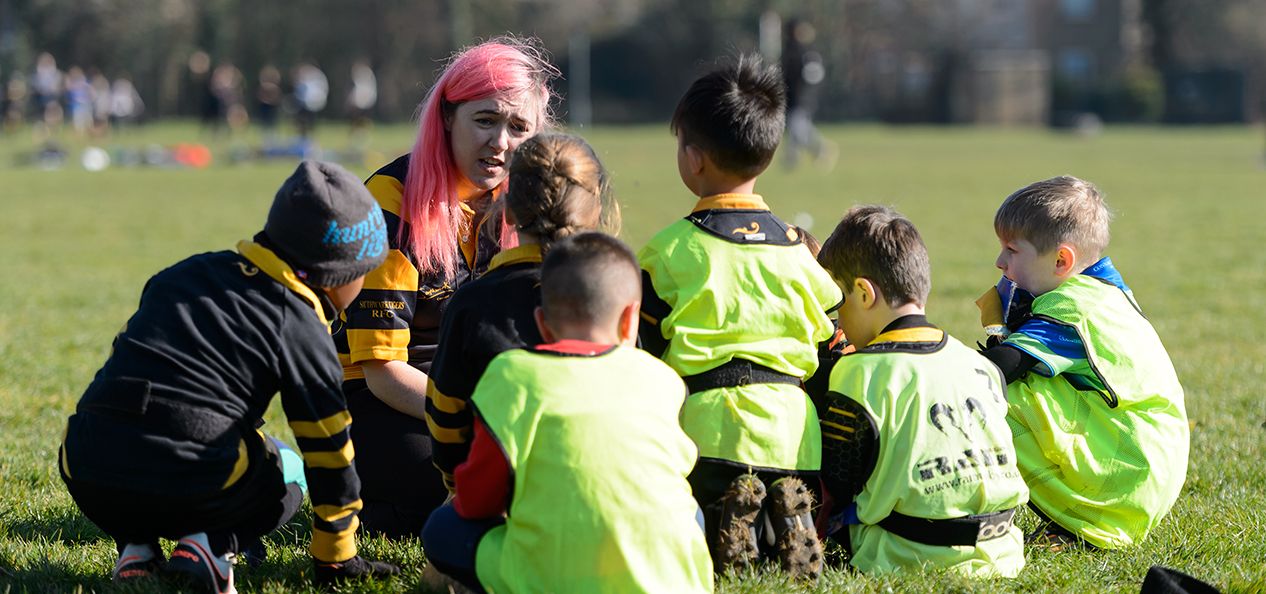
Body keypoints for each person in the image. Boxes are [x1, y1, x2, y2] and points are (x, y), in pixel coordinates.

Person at [58, 161, 400, 592]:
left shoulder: (184, 273)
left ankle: (137, 549)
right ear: (338, 275)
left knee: (145, 438)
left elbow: (128, 367)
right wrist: (337, 556)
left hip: (85, 463)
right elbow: (328, 448)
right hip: (187, 476)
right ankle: (212, 545)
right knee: (289, 469)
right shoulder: (298, 322)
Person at [331, 36, 559, 539]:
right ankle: (335, 485)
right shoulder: (389, 202)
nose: (501, 142)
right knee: (445, 490)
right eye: (485, 120)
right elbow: (382, 373)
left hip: (476, 394)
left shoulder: (529, 204)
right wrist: (478, 419)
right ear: (447, 118)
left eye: (518, 127)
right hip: (386, 394)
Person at [637, 53, 841, 582]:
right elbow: (830, 345)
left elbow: (642, 355)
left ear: (694, 159)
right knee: (773, 513)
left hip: (708, 436)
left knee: (690, 524)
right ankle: (783, 521)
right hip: (796, 436)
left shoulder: (668, 250)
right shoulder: (800, 251)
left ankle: (724, 527)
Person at [421, 232, 713, 594]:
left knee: (441, 528)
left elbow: (478, 502)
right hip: (669, 581)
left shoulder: (512, 375)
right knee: (691, 512)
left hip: (552, 577)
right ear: (630, 319)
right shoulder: (663, 380)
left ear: (543, 323)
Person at [813, 205, 1029, 576]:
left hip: (907, 556)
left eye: (839, 303)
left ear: (864, 294)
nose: (838, 320)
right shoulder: (979, 364)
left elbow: (837, 481)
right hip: (1002, 551)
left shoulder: (857, 372)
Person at [976, 175, 1189, 550]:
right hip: (1145, 468)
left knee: (987, 400)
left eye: (1012, 250)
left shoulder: (1074, 306)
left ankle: (1073, 526)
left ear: (1061, 260)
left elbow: (999, 368)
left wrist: (936, 364)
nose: (1000, 262)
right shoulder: (1103, 286)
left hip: (1124, 479)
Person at [426, 132, 617, 492]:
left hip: (504, 500)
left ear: (509, 210)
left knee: (441, 529)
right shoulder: (614, 296)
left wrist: (457, 485)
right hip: (603, 492)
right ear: (593, 214)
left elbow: (445, 416)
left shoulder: (472, 303)